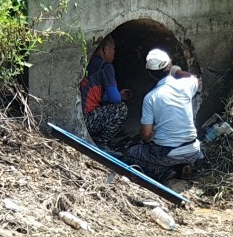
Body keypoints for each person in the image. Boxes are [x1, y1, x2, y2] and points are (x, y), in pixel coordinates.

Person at [125, 48, 203, 182]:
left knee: (130, 154)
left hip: (167, 153)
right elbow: (195, 79)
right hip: (194, 150)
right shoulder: (186, 85)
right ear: (170, 65)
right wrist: (176, 71)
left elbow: (146, 136)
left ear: (150, 74)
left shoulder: (151, 97)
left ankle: (164, 173)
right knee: (178, 153)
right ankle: (185, 166)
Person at [79, 36, 131, 151]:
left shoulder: (88, 62)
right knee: (121, 109)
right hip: (87, 120)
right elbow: (115, 99)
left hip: (78, 117)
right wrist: (119, 95)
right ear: (105, 49)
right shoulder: (106, 67)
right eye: (113, 49)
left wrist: (117, 94)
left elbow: (94, 92)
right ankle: (101, 142)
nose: (114, 53)